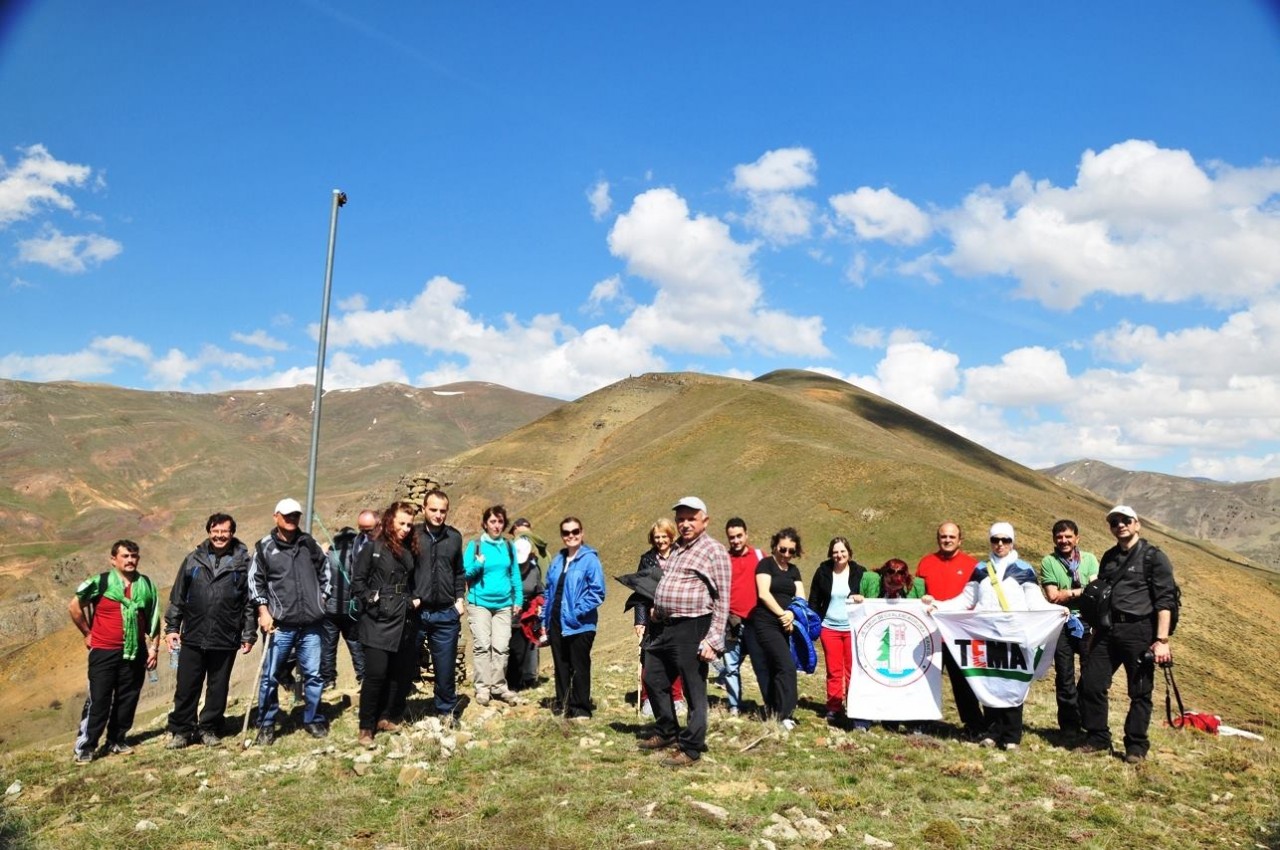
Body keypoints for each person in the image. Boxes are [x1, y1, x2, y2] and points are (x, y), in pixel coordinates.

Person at [933, 522, 1055, 751]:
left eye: (1005, 540)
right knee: (989, 683)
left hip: (1014, 637)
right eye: (995, 539)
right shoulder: (981, 569)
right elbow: (966, 599)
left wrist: (1056, 611)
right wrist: (938, 606)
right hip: (986, 637)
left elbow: (1035, 602)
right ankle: (992, 731)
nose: (1000, 544)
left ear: (1012, 542)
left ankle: (1011, 736)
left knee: (1012, 684)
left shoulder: (1024, 569)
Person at [637, 496, 731, 768]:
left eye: (691, 518)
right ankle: (667, 731)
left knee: (693, 688)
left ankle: (691, 747)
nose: (685, 524)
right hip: (664, 626)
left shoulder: (714, 551)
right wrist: (657, 609)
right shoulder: (678, 547)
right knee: (653, 677)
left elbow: (723, 598)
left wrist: (713, 640)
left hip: (693, 625)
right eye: (681, 519)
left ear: (705, 521)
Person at [1078, 506, 1177, 764]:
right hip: (1108, 630)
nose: (1120, 525)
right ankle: (1098, 738)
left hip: (1140, 631)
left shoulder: (1154, 557)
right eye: (1114, 522)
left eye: (1125, 520)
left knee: (1140, 691)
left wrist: (1162, 641)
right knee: (1091, 683)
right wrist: (1094, 629)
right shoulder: (1109, 557)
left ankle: (1135, 746)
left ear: (1137, 524)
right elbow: (1102, 594)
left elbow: (1165, 601)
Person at [163, 513, 256, 749]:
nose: (220, 536)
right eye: (215, 531)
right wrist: (172, 627)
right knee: (186, 686)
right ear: (209, 532)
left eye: (225, 531)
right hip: (193, 634)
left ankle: (209, 728)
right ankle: (182, 730)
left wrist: (248, 633)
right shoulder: (192, 559)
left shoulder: (244, 563)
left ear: (232, 533)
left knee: (218, 687)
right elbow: (178, 597)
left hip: (226, 636)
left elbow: (249, 603)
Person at [69, 540, 161, 763]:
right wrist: (87, 633)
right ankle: (86, 746)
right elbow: (74, 606)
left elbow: (154, 618)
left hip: (135, 651)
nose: (130, 560)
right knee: (99, 699)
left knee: (127, 698)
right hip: (104, 651)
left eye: (134, 556)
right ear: (113, 559)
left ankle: (117, 740)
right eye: (125, 556)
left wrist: (154, 648)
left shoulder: (146, 584)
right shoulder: (100, 582)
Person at [248, 497, 331, 745]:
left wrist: (323, 598)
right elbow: (255, 582)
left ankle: (313, 718)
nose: (291, 519)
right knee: (270, 676)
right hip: (280, 625)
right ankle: (266, 724)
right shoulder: (264, 547)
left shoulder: (308, 543)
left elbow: (326, 570)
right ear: (276, 517)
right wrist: (263, 611)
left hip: (311, 623)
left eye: (295, 515)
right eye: (286, 515)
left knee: (314, 675)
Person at [352, 502, 421, 747]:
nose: (405, 529)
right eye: (401, 523)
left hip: (403, 617)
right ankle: (366, 726)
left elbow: (411, 581)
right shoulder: (373, 548)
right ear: (390, 521)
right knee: (376, 674)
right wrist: (373, 601)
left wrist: (413, 600)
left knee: (396, 673)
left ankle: (386, 717)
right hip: (377, 621)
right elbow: (358, 582)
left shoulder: (410, 549)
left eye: (409, 525)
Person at [916, 522, 985, 738]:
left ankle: (974, 725)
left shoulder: (973, 565)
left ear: (960, 540)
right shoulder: (926, 563)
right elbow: (917, 595)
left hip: (959, 635)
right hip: (930, 634)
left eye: (951, 537)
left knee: (963, 682)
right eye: (943, 536)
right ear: (938, 539)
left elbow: (976, 600)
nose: (947, 540)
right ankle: (921, 721)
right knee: (926, 680)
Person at [542, 517, 607, 719]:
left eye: (575, 531)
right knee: (561, 665)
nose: (571, 536)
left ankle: (580, 709)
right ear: (562, 535)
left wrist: (576, 611)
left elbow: (597, 592)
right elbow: (548, 591)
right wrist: (544, 620)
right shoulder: (557, 560)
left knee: (579, 665)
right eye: (566, 532)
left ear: (582, 532)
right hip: (555, 620)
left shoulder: (590, 560)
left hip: (580, 623)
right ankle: (563, 705)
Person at [1038, 519, 1099, 734]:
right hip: (1061, 623)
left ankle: (1085, 717)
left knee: (1090, 673)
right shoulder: (1049, 562)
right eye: (1059, 537)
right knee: (1064, 675)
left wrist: (1069, 593)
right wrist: (1083, 591)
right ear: (1054, 539)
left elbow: (1096, 592)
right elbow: (1053, 596)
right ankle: (1069, 726)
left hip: (1088, 622)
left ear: (1077, 538)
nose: (1064, 541)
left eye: (1068, 536)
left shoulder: (1090, 559)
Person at [411, 488, 466, 723]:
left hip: (445, 613)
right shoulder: (412, 535)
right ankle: (393, 709)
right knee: (402, 661)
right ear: (423, 509)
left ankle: (446, 710)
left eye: (443, 511)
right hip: (416, 613)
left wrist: (460, 600)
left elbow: (459, 572)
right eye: (433, 509)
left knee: (445, 667)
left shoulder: (454, 537)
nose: (438, 515)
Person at [463, 504, 523, 707]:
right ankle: (482, 688)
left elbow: (514, 574)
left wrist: (518, 599)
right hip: (479, 603)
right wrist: (478, 563)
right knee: (482, 646)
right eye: (492, 521)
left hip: (504, 605)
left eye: (500, 522)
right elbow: (465, 573)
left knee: (501, 647)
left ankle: (499, 686)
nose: (496, 525)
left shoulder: (508, 546)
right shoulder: (475, 545)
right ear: (485, 524)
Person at [750, 527, 807, 729]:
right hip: (766, 622)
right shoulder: (766, 564)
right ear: (775, 546)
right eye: (783, 549)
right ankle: (785, 714)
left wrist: (791, 614)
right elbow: (764, 594)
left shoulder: (793, 571)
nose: (786, 554)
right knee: (786, 666)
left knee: (777, 667)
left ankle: (774, 710)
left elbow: (801, 597)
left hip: (787, 625)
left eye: (791, 551)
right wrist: (783, 614)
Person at [808, 536, 868, 724]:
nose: (839, 555)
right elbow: (814, 600)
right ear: (830, 554)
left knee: (853, 671)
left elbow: (869, 595)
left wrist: (862, 597)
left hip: (853, 629)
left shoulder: (860, 572)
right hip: (829, 628)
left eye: (842, 551)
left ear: (849, 553)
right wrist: (814, 624)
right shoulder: (823, 572)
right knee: (834, 671)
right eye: (835, 552)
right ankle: (834, 707)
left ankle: (854, 706)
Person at [634, 518, 685, 717]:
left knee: (675, 657)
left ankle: (676, 698)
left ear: (671, 536)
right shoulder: (647, 559)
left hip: (677, 616)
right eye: (657, 537)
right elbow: (639, 591)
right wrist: (640, 620)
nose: (661, 540)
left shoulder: (681, 556)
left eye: (664, 536)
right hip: (652, 617)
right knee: (649, 657)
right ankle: (649, 699)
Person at [320, 509, 375, 690]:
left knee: (328, 645)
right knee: (355, 643)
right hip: (351, 608)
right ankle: (363, 677)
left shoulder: (329, 554)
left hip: (330, 608)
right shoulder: (357, 554)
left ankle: (328, 680)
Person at [719, 518, 766, 717]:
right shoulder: (724, 560)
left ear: (746, 534)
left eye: (739, 536)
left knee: (761, 666)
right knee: (730, 667)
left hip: (756, 622)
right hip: (731, 622)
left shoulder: (760, 557)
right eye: (732, 537)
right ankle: (734, 707)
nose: (736, 541)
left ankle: (770, 705)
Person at [506, 518, 544, 692]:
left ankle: (520, 682)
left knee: (523, 649)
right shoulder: (506, 569)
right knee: (507, 649)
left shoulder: (535, 570)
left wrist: (539, 604)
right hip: (507, 612)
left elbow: (540, 591)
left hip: (527, 615)